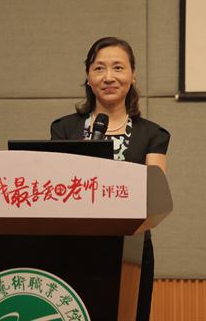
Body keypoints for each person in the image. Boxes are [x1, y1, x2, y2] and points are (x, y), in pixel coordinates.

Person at [50, 36, 170, 320]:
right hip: (74, 246)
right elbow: (54, 189)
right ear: (88, 77)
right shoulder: (64, 129)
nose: (108, 77)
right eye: (99, 68)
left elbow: (155, 198)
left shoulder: (152, 134)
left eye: (118, 67)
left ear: (132, 75)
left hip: (131, 249)